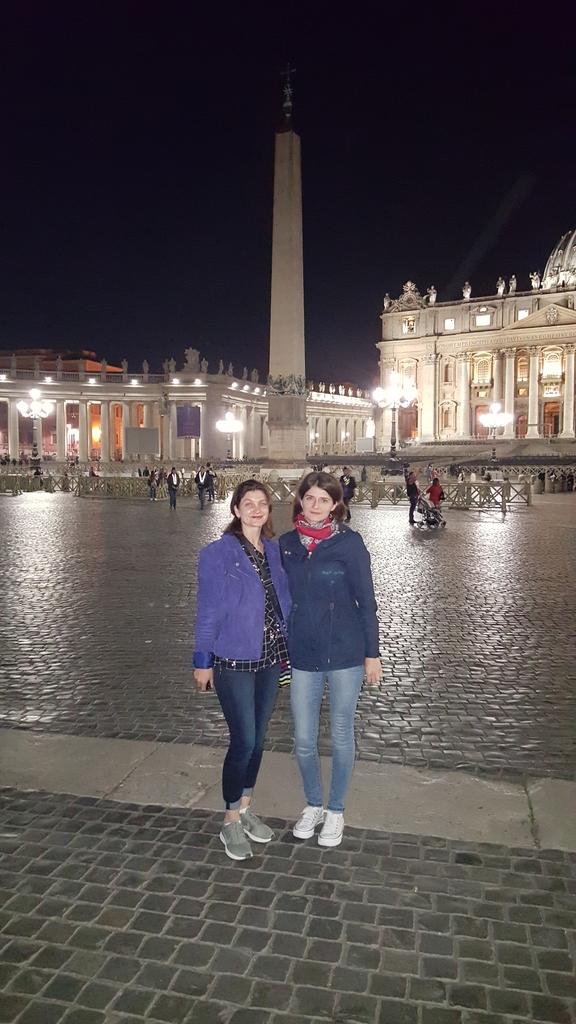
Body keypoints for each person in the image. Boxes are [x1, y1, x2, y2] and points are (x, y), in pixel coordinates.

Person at [279, 472, 381, 849]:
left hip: (344, 650)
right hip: (303, 651)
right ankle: (313, 804)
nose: (316, 505)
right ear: (300, 500)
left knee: (341, 734)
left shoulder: (349, 543)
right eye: (310, 498)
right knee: (304, 738)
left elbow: (366, 601)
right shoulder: (287, 544)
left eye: (324, 499)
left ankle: (335, 809)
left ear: (336, 504)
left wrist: (372, 654)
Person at [193, 480, 291, 861]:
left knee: (260, 739)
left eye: (262, 503)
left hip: (269, 657)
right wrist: (202, 661)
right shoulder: (216, 554)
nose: (255, 509)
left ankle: (246, 807)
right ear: (236, 509)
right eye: (248, 503)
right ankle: (230, 819)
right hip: (233, 659)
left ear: (269, 510)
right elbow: (207, 611)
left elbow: (285, 599)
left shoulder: (275, 551)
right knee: (244, 740)